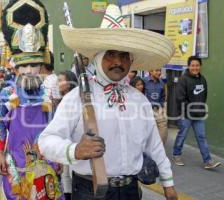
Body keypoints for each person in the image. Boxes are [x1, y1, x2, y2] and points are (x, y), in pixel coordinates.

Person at [38, 4, 177, 200]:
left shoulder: (139, 99)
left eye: (123, 56)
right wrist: (74, 150)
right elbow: (45, 141)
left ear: (131, 61)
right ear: (98, 58)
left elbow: (154, 145)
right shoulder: (76, 97)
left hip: (131, 190)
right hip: (89, 191)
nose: (117, 62)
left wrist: (168, 182)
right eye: (110, 55)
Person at [0, 1, 64, 199]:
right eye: (23, 66)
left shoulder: (47, 94)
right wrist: (0, 154)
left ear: (41, 66)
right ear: (15, 68)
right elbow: (0, 126)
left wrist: (59, 156)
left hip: (47, 164)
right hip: (17, 166)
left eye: (34, 65)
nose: (28, 71)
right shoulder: (7, 93)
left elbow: (55, 127)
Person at [172, 56, 221, 169]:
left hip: (199, 114)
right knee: (182, 135)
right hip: (186, 114)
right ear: (189, 66)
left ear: (200, 66)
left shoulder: (202, 79)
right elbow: (180, 98)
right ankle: (176, 154)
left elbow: (204, 96)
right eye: (193, 65)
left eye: (197, 65)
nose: (195, 67)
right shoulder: (183, 80)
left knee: (201, 137)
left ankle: (208, 161)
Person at [57, 70, 78, 200]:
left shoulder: (73, 101)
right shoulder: (64, 100)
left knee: (70, 175)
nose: (57, 83)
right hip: (65, 145)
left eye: (60, 80)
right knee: (65, 176)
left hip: (72, 145)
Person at [144, 69, 168, 144]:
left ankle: (160, 151)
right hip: (146, 110)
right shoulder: (144, 81)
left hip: (158, 109)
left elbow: (163, 96)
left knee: (163, 128)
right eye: (157, 71)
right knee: (148, 130)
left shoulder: (161, 82)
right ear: (150, 71)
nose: (159, 73)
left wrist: (161, 106)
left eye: (160, 71)